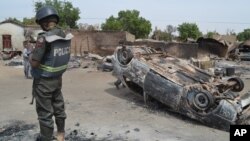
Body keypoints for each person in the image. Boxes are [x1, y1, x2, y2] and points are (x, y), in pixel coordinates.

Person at [29, 6, 73, 141]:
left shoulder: (44, 38)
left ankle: (46, 138)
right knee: (59, 108)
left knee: (44, 113)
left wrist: (31, 54)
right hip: (57, 79)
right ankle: (61, 135)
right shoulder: (63, 35)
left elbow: (35, 63)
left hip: (43, 82)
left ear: (44, 21)